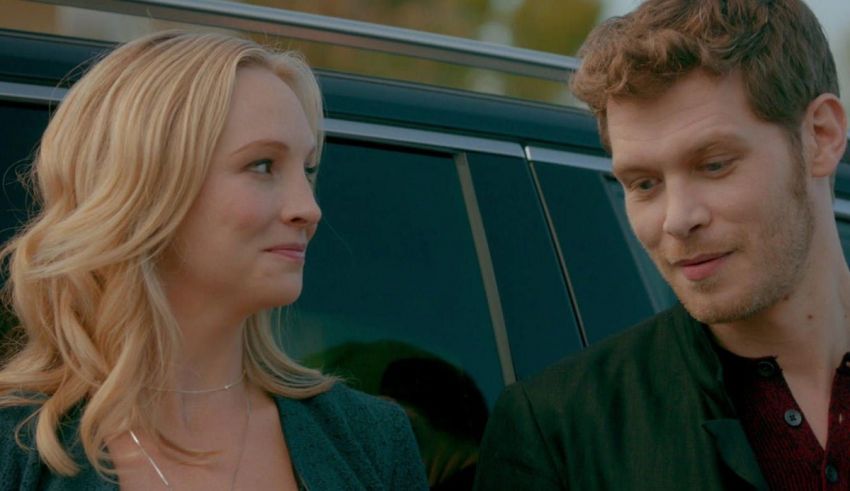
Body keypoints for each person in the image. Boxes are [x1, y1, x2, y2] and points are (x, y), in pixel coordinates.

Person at [0, 31, 427, 490]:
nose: (308, 208)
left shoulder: (369, 441)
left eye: (306, 169)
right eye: (263, 165)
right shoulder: (19, 446)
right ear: (147, 187)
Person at [475, 0, 849, 489]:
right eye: (644, 184)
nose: (677, 220)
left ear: (821, 137)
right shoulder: (558, 431)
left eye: (714, 164)